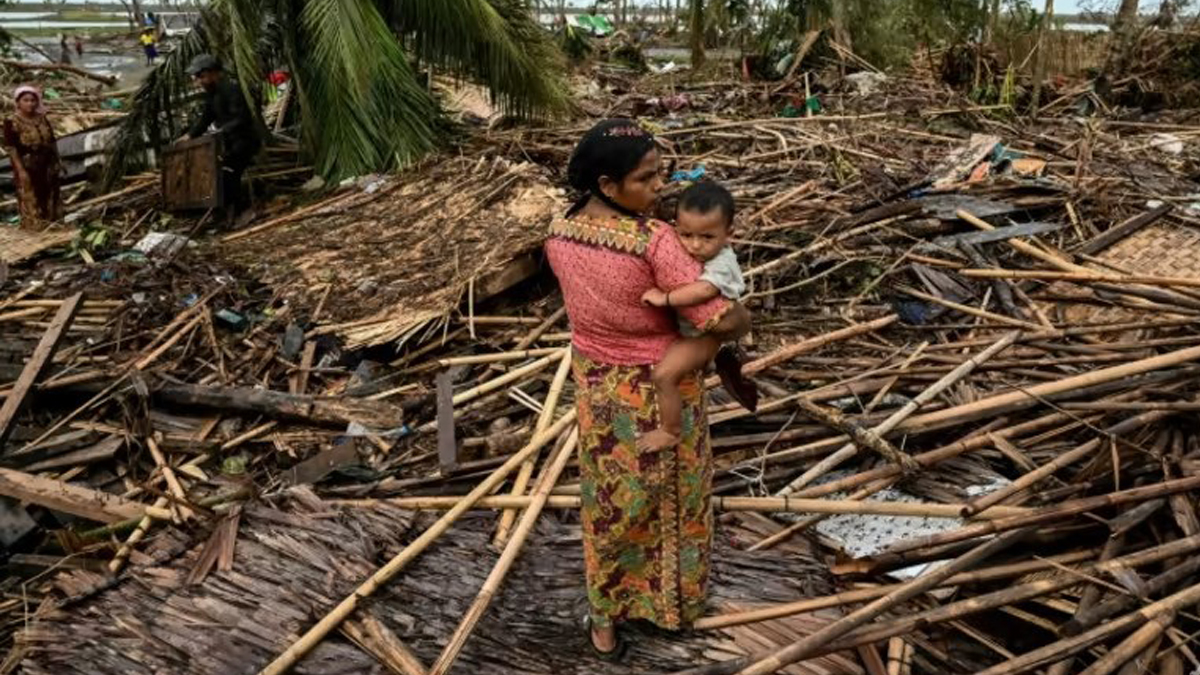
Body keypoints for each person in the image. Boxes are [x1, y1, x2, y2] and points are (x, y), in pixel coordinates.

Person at [544, 119, 751, 660]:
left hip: (596, 388)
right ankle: (672, 607)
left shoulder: (558, 233)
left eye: (662, 173)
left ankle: (605, 616)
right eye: (647, 178)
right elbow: (719, 318)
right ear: (609, 187)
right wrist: (740, 319)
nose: (661, 187)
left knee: (609, 503)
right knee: (676, 500)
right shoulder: (653, 241)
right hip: (662, 387)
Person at [639, 181, 757, 451]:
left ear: (729, 234)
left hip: (704, 336)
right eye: (686, 234)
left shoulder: (722, 263)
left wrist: (664, 298)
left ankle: (671, 430)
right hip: (690, 330)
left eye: (707, 238)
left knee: (664, 376)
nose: (695, 245)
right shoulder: (684, 244)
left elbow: (704, 290)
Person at [179, 54, 261, 227]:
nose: (199, 81)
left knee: (228, 173)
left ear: (213, 74)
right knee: (215, 172)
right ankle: (222, 213)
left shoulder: (232, 90)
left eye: (201, 76)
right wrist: (189, 136)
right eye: (197, 77)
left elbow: (242, 118)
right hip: (229, 142)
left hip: (244, 142)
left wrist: (220, 131)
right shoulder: (212, 95)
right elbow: (205, 119)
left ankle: (239, 211)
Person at [3, 86, 63, 228]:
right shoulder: (11, 122)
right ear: (18, 102)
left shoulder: (41, 118)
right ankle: (35, 229)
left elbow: (52, 141)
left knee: (51, 194)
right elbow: (12, 148)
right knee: (31, 197)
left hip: (47, 163)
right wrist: (21, 171)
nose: (30, 104)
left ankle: (53, 226)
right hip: (28, 165)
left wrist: (58, 161)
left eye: (33, 100)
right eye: (26, 100)